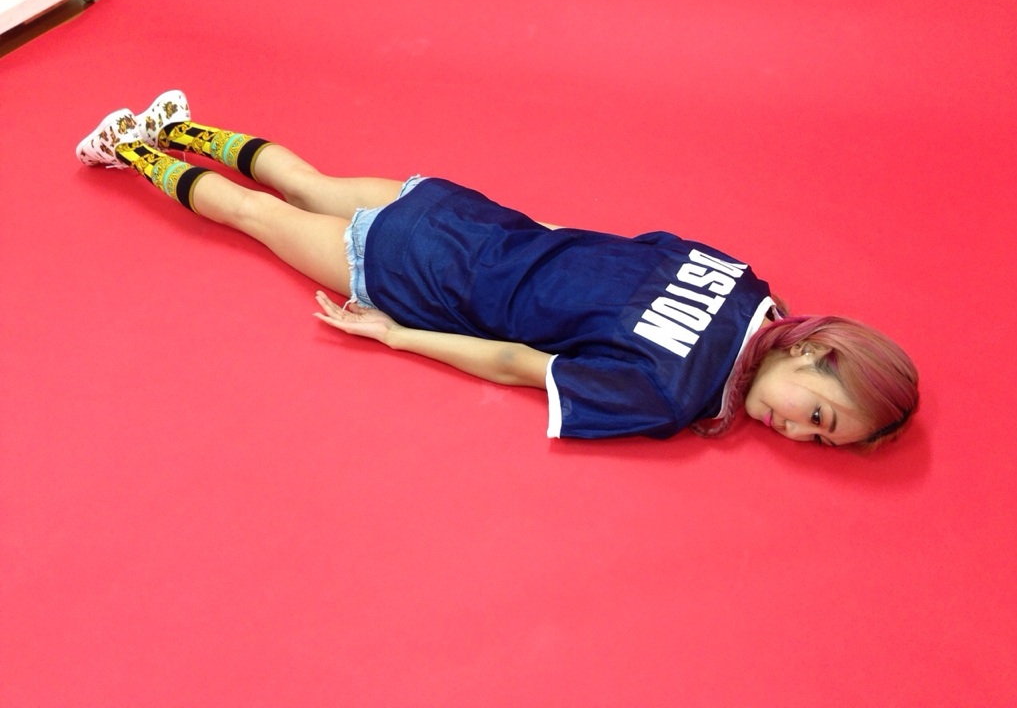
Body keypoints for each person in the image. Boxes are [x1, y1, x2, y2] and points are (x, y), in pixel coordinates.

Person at [76, 90, 918, 446]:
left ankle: (176, 127)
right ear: (816, 354)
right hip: (435, 281)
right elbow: (519, 363)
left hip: (472, 218)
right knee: (260, 218)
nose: (797, 432)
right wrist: (398, 337)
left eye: (818, 440)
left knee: (308, 182)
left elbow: (599, 239)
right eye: (819, 414)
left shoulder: (737, 278)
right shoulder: (674, 396)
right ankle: (128, 148)